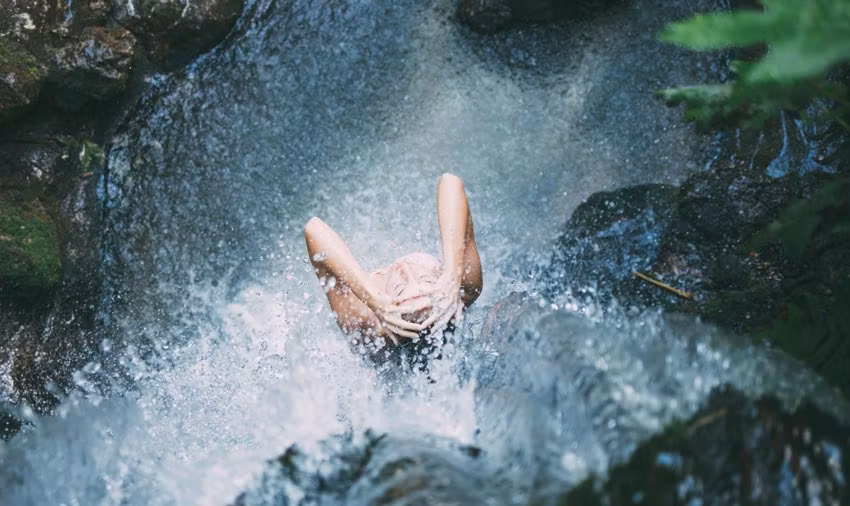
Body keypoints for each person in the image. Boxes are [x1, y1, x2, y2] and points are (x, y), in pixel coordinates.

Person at [305, 173, 482, 348]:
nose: (404, 268)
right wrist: (452, 272)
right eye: (424, 279)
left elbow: (314, 228)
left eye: (400, 288)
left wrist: (372, 298)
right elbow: (450, 182)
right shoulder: (463, 290)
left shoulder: (365, 326)